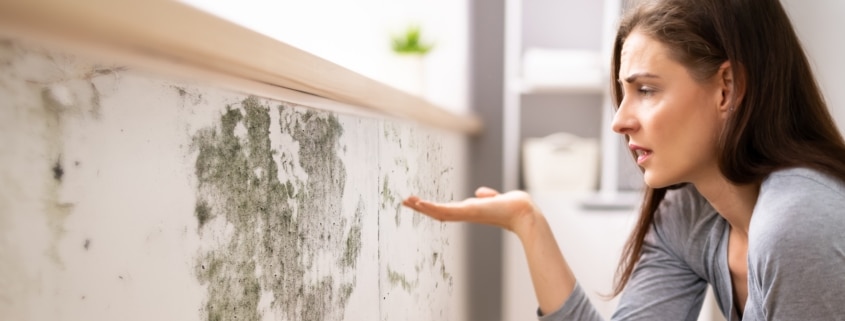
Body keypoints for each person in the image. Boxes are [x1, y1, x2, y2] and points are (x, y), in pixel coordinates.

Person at [402, 0, 845, 319]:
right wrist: (527, 222)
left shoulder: (801, 222)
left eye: (646, 90)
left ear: (726, 88)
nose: (619, 121)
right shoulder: (690, 214)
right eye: (623, 92)